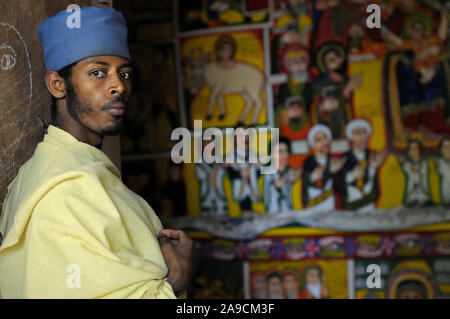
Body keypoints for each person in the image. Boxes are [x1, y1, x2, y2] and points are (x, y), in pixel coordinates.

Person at [0, 7, 196, 298]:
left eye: (124, 73)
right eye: (97, 73)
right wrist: (179, 276)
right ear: (57, 85)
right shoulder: (67, 187)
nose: (118, 85)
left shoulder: (65, 170)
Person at [337, 119, 385, 212]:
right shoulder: (345, 158)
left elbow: (376, 189)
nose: (362, 138)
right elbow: (340, 184)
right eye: (358, 134)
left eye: (364, 133)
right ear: (352, 137)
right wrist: (352, 176)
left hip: (369, 206)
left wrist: (372, 169)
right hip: (351, 208)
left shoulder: (372, 156)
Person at [302, 124, 345, 210]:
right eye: (319, 139)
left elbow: (340, 186)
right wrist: (312, 178)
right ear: (313, 143)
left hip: (330, 204)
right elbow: (305, 184)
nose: (323, 142)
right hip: (314, 203)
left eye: (325, 138)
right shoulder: (309, 161)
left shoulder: (333, 161)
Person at [263, 137, 301, 214]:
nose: (285, 155)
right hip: (272, 215)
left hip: (289, 213)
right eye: (280, 152)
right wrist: (288, 178)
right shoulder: (268, 171)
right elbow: (278, 183)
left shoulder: (289, 170)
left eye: (286, 151)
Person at [401, 139, 432, 207]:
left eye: (415, 148)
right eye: (411, 149)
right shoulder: (406, 165)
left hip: (424, 195)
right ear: (408, 151)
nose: (413, 151)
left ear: (420, 150)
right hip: (411, 197)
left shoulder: (425, 163)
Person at [437, 137, 450, 206]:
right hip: (444, 203)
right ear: (440, 150)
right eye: (445, 147)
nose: (449, 150)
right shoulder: (437, 164)